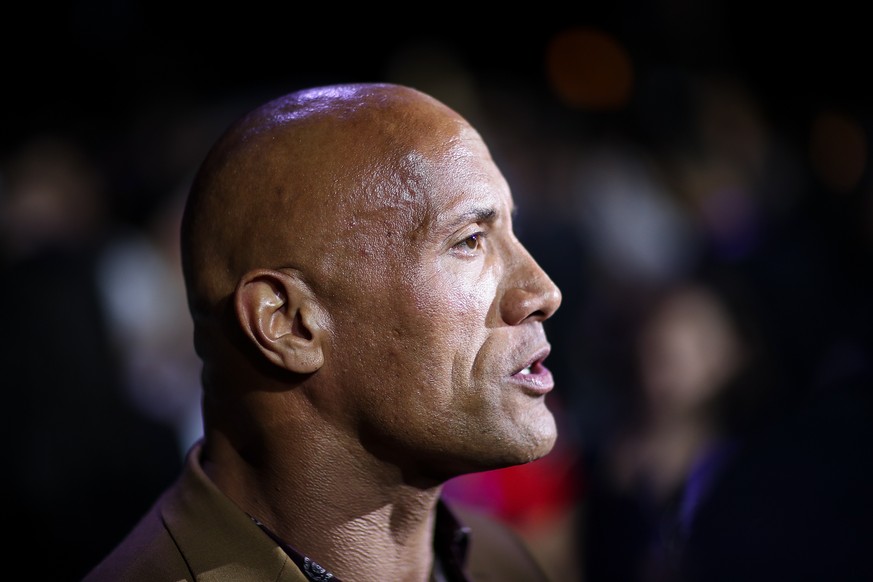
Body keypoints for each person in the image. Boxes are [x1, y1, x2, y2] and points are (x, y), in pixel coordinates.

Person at [83, 82, 563, 582]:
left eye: (513, 231)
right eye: (470, 241)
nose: (543, 292)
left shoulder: (502, 560)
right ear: (289, 325)